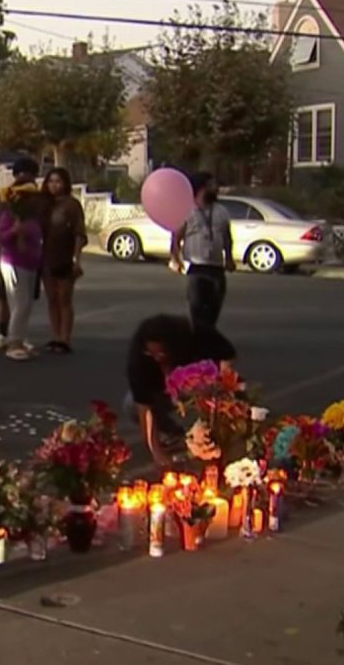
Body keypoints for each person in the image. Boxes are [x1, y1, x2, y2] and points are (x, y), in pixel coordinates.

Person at [125, 314, 237, 468]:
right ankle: (176, 434)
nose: (157, 358)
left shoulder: (197, 334)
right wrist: (156, 452)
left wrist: (220, 381)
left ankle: (214, 438)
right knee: (130, 404)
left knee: (219, 406)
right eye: (151, 353)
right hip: (164, 390)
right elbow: (144, 408)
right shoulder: (139, 359)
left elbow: (228, 355)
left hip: (202, 382)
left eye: (162, 353)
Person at [0, 159, 43, 353]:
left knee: (25, 303)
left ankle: (18, 337)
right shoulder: (8, 206)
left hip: (30, 262)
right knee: (15, 302)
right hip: (12, 260)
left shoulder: (34, 210)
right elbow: (1, 234)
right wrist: (14, 232)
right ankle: (12, 340)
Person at [170, 172, 234, 330]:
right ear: (201, 188)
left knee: (213, 312)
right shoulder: (187, 211)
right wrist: (176, 259)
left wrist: (229, 258)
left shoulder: (221, 211)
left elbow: (227, 236)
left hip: (217, 268)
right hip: (197, 268)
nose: (216, 188)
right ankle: (200, 343)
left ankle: (208, 339)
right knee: (198, 311)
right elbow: (176, 238)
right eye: (212, 185)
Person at [41, 168, 87, 354]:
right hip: (46, 258)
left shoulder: (72, 205)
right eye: (51, 181)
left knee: (64, 299)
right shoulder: (44, 204)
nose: (54, 185)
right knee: (52, 298)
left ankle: (65, 338)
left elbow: (79, 234)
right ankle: (55, 335)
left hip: (65, 257)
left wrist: (77, 258)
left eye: (58, 181)